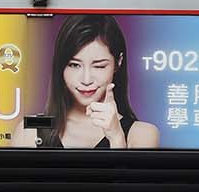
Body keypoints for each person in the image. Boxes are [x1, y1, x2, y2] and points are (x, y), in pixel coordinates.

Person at [12, 14, 159, 149]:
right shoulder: (32, 127)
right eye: (74, 65)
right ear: (60, 65)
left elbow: (128, 178)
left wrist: (116, 137)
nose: (86, 80)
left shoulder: (142, 133)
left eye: (99, 66)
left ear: (118, 62)